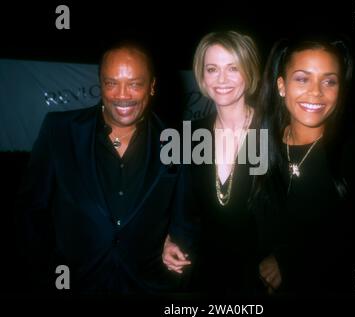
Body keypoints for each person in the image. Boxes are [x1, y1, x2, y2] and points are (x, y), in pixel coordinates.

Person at [16, 39, 189, 294]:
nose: (122, 95)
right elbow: (31, 210)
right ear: (100, 84)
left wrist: (179, 243)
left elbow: (186, 216)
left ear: (151, 86)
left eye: (134, 84)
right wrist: (44, 272)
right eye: (111, 83)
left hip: (148, 286)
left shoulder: (178, 142)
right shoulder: (59, 130)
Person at [251, 34, 355, 295]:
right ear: (281, 85)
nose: (316, 91)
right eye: (302, 78)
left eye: (329, 81)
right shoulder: (259, 144)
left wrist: (290, 261)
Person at [162, 30, 264, 295]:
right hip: (202, 275)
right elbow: (178, 207)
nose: (221, 79)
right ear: (202, 77)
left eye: (233, 68)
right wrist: (168, 240)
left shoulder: (272, 133)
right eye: (212, 69)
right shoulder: (189, 136)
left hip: (259, 278)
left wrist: (285, 260)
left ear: (249, 71)